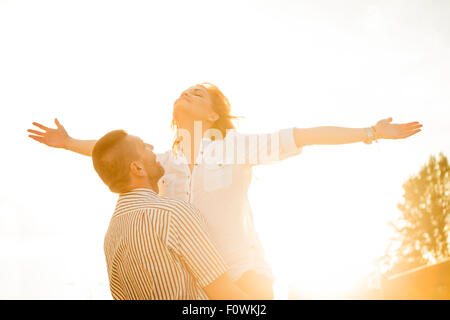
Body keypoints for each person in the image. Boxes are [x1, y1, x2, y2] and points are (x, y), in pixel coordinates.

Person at [28, 82, 422, 299]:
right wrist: (69, 143)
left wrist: (371, 133)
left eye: (199, 94)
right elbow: (118, 156)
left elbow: (308, 135)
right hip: (198, 289)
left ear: (213, 114)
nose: (188, 93)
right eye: (186, 91)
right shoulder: (165, 161)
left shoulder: (234, 147)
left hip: (245, 277)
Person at [90, 129, 250, 300]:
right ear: (137, 168)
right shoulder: (173, 214)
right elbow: (225, 295)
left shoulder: (111, 236)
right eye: (143, 146)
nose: (151, 147)